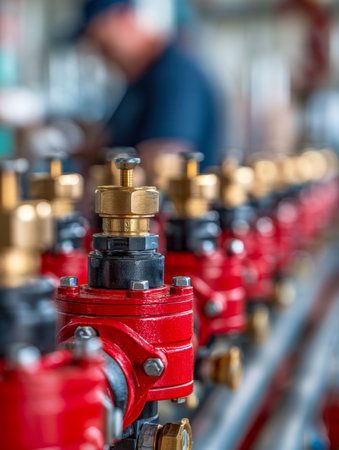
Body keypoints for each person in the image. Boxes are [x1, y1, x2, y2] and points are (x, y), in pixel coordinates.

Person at [80, 0, 220, 174]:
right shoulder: (139, 80)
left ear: (124, 19)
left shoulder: (176, 74)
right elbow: (108, 143)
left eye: (104, 45)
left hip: (167, 201)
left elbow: (166, 159)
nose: (101, 55)